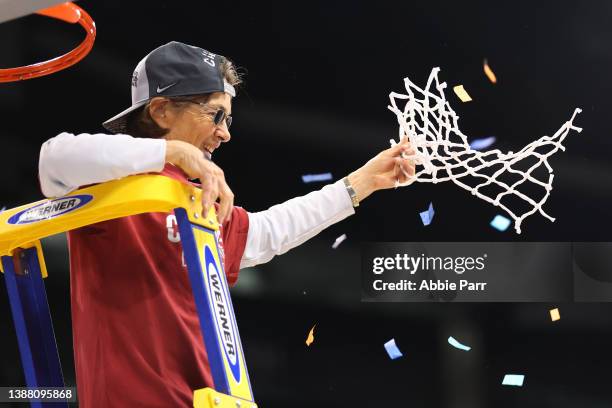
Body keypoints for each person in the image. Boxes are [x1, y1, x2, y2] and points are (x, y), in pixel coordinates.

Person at [38, 41, 415, 407]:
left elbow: (267, 233)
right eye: (214, 114)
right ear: (162, 110)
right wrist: (170, 151)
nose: (225, 132)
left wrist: (362, 182)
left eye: (228, 118)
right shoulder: (109, 178)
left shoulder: (193, 200)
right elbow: (53, 159)